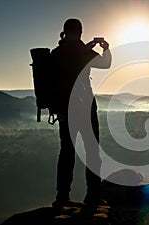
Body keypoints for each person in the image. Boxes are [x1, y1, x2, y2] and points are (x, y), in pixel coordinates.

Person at [51, 18, 111, 208]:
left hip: (64, 110)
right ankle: (93, 196)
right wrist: (105, 48)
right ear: (80, 32)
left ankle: (62, 196)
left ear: (64, 32)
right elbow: (105, 64)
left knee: (66, 152)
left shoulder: (56, 53)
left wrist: (86, 47)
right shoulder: (83, 52)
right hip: (85, 107)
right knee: (92, 151)